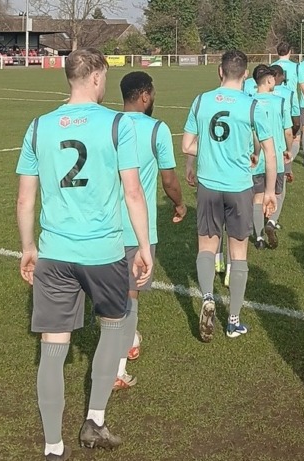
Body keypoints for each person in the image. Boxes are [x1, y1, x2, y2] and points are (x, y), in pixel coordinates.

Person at [16, 49, 153, 459]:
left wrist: (28, 247)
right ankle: (94, 420)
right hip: (104, 251)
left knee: (52, 349)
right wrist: (144, 247)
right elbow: (132, 191)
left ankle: (53, 446)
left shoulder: (38, 127)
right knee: (115, 327)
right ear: (95, 78)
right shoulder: (117, 124)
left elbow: (25, 198)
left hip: (55, 253)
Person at [182, 50, 278, 342]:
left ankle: (208, 297)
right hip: (238, 187)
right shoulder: (252, 106)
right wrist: (271, 191)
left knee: (207, 247)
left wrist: (202, 157)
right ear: (246, 75)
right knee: (238, 253)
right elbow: (270, 154)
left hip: (208, 185)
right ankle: (233, 320)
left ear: (219, 72)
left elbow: (187, 144)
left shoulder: (201, 100)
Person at [114, 71, 186, 390]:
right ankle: (118, 367)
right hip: (135, 227)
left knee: (112, 295)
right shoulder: (157, 128)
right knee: (129, 296)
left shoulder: (109, 125)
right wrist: (180, 205)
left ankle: (128, 338)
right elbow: (169, 180)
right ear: (144, 95)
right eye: (152, 93)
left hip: (103, 225)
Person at [251, 65, 292, 250]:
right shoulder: (281, 101)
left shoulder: (249, 102)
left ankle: (258, 237)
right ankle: (272, 221)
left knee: (257, 198)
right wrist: (289, 149)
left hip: (256, 159)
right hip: (275, 157)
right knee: (278, 193)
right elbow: (288, 131)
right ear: (268, 80)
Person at [271, 42, 302, 162]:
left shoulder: (271, 66)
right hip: (290, 101)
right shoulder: (296, 66)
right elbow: (303, 85)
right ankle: (287, 161)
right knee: (295, 135)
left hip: (274, 101)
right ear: (290, 52)